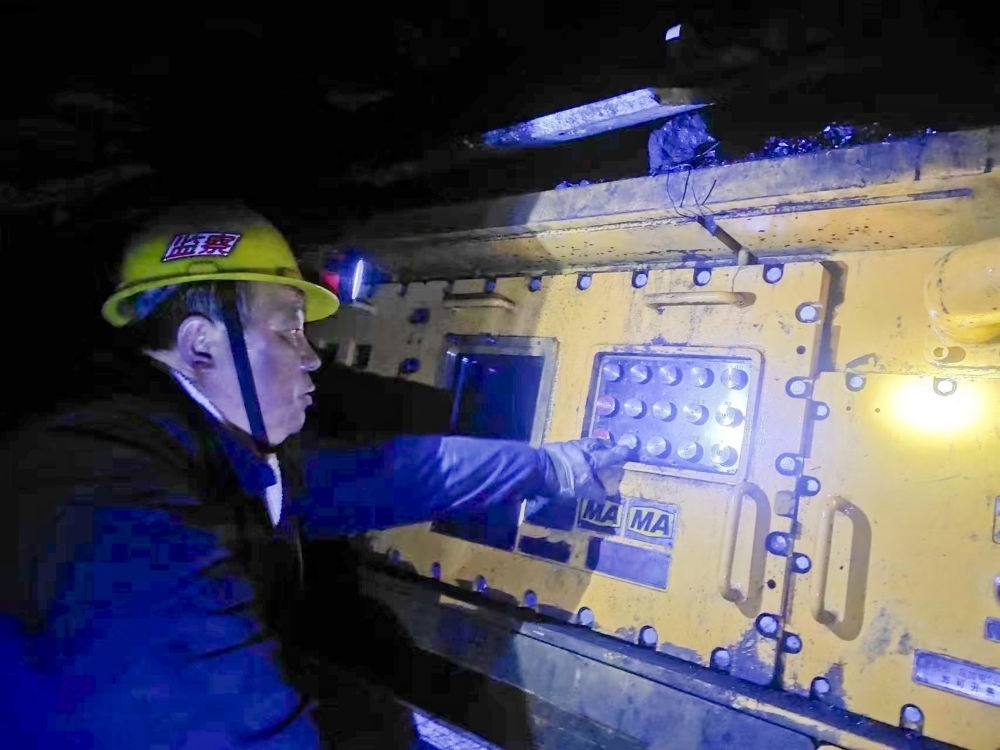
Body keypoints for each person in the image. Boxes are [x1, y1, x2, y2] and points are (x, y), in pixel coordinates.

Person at [0, 202, 629, 749]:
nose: (310, 358)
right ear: (201, 346)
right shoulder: (98, 485)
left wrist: (555, 467)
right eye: (289, 330)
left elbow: (388, 476)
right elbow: (216, 721)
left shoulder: (205, 454)